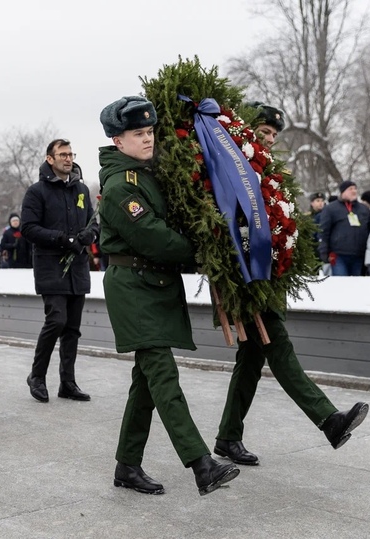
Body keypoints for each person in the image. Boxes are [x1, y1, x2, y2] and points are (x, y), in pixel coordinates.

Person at [213, 103, 369, 468]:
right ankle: (329, 420)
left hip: (268, 277)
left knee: (251, 360)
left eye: (273, 134)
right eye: (264, 132)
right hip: (245, 279)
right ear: (247, 130)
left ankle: (228, 437)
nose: (269, 139)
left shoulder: (267, 170)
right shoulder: (233, 167)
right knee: (278, 346)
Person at [99, 96, 240, 496]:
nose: (147, 139)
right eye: (137, 133)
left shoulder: (146, 175)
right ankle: (201, 464)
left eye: (150, 131)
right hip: (133, 289)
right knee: (163, 375)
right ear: (117, 140)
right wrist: (203, 251)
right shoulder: (119, 186)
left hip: (153, 284)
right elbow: (154, 237)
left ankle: (127, 466)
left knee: (146, 382)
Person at [21, 139, 98, 403]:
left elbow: (93, 222)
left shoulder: (81, 189)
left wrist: (88, 235)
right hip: (51, 267)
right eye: (62, 154)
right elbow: (28, 228)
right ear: (50, 159)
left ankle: (68, 383)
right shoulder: (37, 192)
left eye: (70, 154)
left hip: (77, 267)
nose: (68, 158)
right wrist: (62, 239)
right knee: (56, 321)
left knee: (72, 328)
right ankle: (37, 376)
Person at [319, 180, 370, 276]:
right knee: (341, 283)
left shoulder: (364, 209)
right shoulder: (331, 209)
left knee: (357, 283)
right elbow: (323, 232)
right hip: (338, 255)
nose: (354, 191)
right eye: (350, 189)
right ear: (343, 192)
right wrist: (324, 253)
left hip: (359, 255)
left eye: (355, 188)